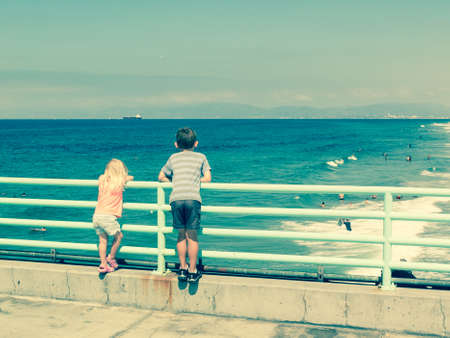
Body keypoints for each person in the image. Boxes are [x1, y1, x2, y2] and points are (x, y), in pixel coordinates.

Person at [158, 127, 211, 283]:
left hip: (176, 198)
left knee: (181, 234)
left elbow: (161, 176)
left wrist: (174, 181)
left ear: (176, 144)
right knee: (192, 236)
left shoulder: (173, 158)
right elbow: (207, 178)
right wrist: (194, 180)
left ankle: (182, 268)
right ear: (196, 143)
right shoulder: (201, 157)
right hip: (192, 199)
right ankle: (193, 271)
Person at [93, 159, 133, 273]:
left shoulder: (102, 180)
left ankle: (103, 264)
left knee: (102, 241)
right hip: (108, 216)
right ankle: (111, 257)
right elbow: (131, 177)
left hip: (97, 215)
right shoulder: (120, 182)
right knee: (119, 236)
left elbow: (102, 176)